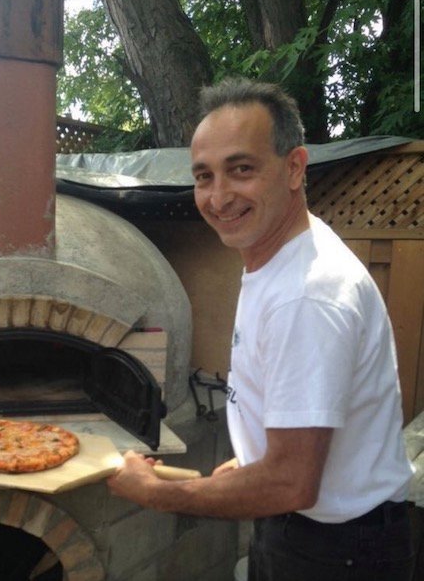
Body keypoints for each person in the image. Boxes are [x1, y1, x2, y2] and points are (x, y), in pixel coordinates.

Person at [108, 77, 415, 580]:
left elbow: (292, 482)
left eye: (241, 169)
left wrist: (156, 493)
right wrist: (252, 461)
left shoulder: (306, 294)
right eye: (204, 176)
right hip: (308, 527)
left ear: (294, 168)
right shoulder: (276, 257)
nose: (219, 196)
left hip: (339, 551)